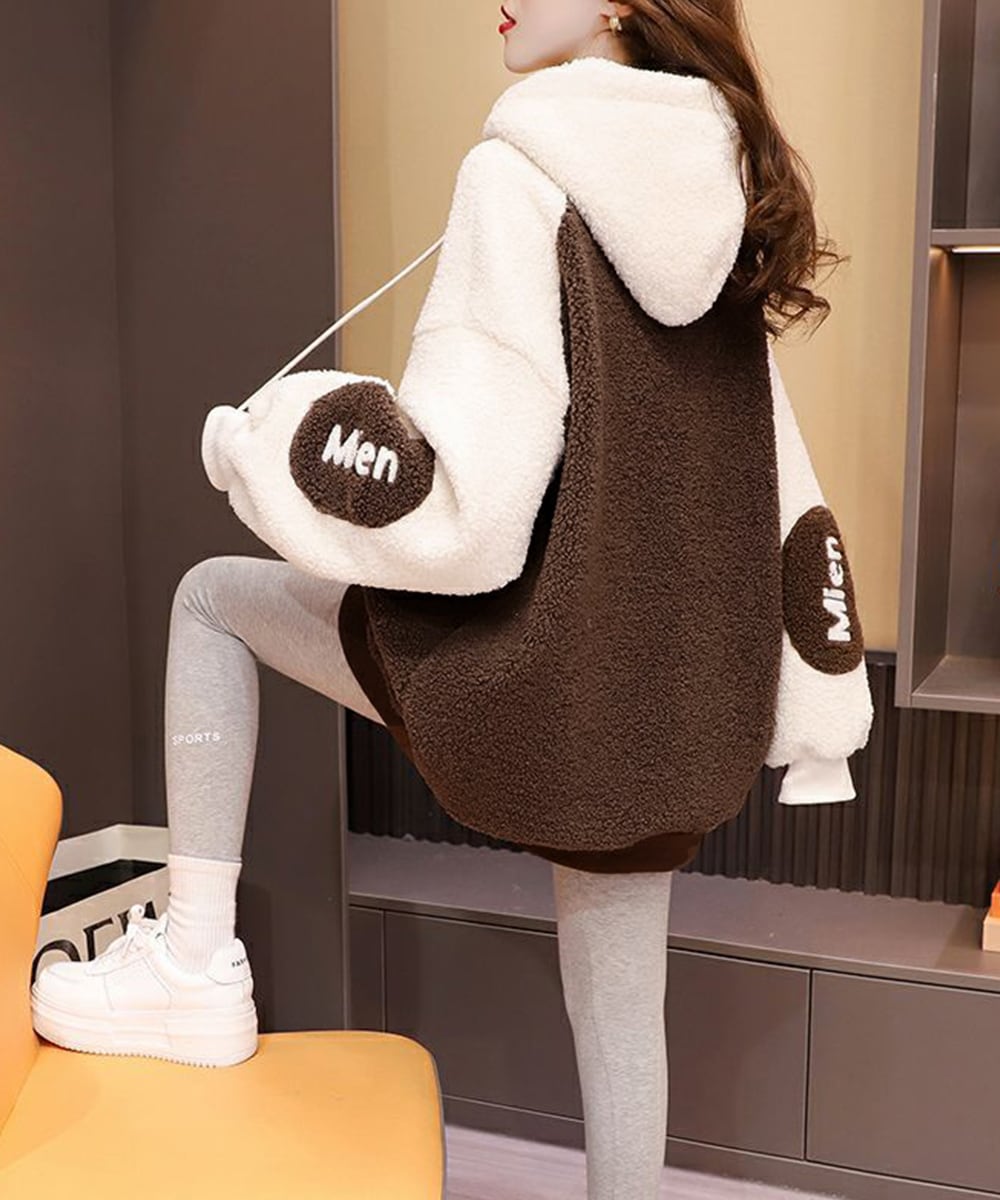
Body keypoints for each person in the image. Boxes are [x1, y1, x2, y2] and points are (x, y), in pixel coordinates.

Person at [31, 4, 874, 1198]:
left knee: (211, 599)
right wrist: (821, 710)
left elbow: (460, 504)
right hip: (668, 719)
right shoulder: (728, 196)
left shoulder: (520, 168)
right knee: (621, 1013)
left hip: (529, 687)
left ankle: (196, 963)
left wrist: (264, 446)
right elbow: (781, 478)